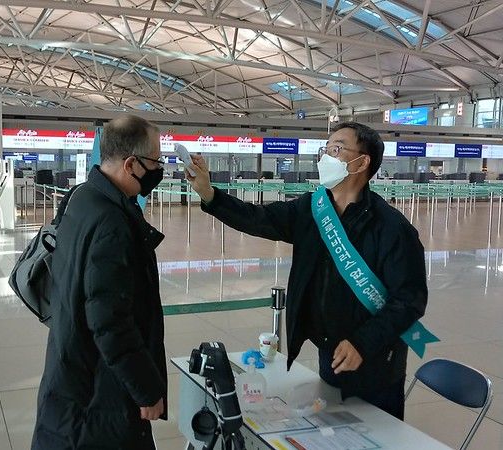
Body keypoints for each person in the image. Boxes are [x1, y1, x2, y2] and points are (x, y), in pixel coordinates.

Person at [186, 122, 428, 420]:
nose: (325, 157)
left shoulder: (392, 228)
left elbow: (409, 300)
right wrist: (210, 194)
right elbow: (259, 218)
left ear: (362, 162)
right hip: (330, 354)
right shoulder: (312, 210)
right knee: (336, 432)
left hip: (376, 362)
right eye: (325, 149)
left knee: (376, 433)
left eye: (336, 149)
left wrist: (363, 343)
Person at [32, 115, 167, 450]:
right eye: (156, 161)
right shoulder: (113, 223)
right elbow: (110, 322)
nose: (160, 168)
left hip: (69, 366)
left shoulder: (82, 196)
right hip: (98, 393)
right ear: (132, 164)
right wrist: (146, 389)